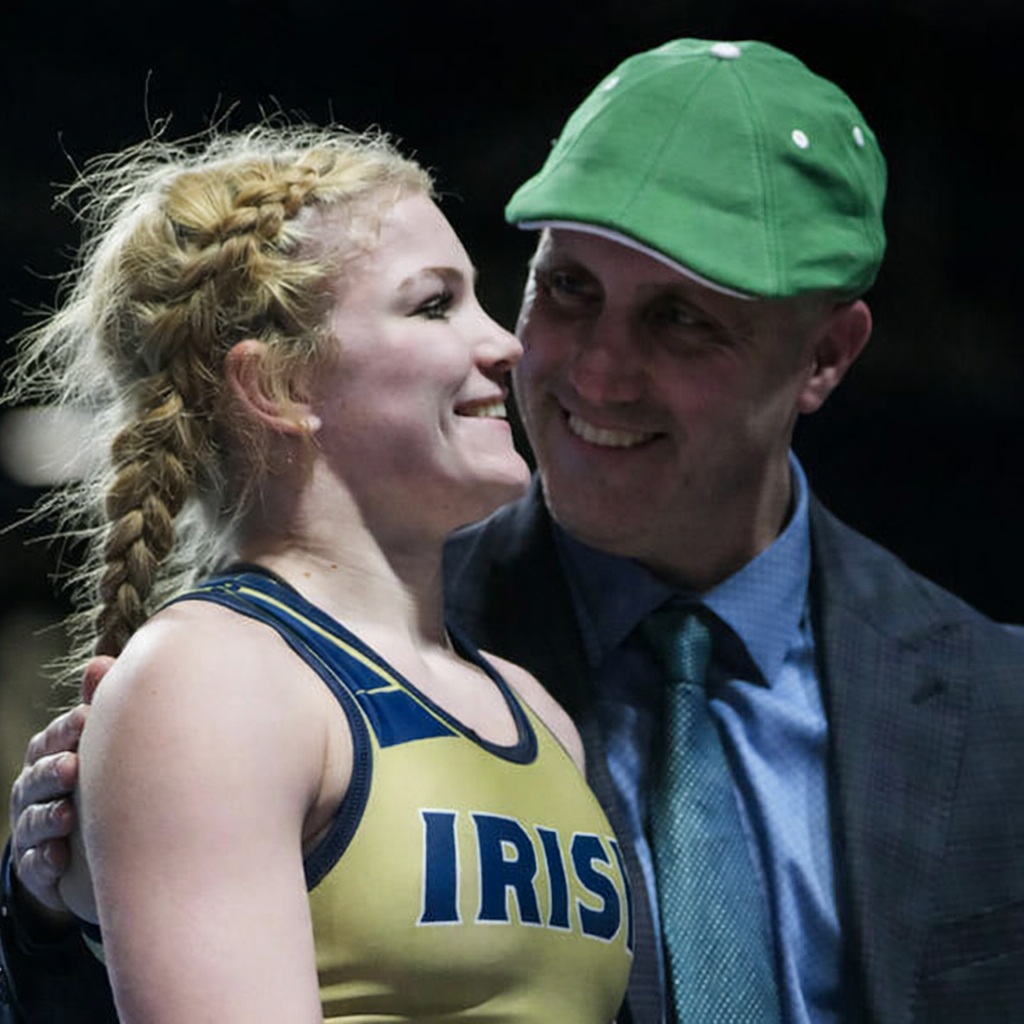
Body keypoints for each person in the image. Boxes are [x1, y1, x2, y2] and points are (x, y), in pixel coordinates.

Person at [5, 36, 1024, 1024]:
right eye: (566, 289)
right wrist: (63, 903)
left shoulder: (996, 706)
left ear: (825, 357)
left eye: (682, 320)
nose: (585, 371)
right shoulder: (268, 668)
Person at [0, 125, 633, 1023]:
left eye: (480, 301)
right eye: (432, 306)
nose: (507, 345)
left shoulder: (539, 715)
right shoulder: (213, 682)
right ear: (280, 388)